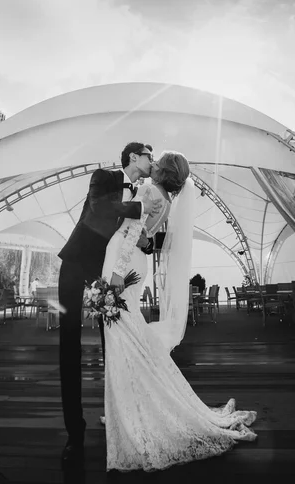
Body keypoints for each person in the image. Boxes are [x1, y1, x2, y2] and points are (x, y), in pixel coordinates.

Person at [102, 151, 257, 472]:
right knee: (129, 335)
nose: (153, 162)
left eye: (159, 161)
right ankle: (130, 404)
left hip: (123, 261)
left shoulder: (148, 192)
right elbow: (146, 235)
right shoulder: (166, 200)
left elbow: (132, 231)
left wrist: (115, 277)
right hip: (134, 261)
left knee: (122, 335)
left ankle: (135, 408)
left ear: (164, 170)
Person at [57, 142, 164, 465]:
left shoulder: (147, 193)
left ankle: (118, 418)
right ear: (133, 157)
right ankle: (74, 434)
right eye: (149, 157)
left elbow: (145, 242)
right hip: (76, 265)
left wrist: (146, 237)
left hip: (107, 273)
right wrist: (140, 209)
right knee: (69, 345)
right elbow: (101, 211)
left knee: (113, 342)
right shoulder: (103, 177)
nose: (152, 162)